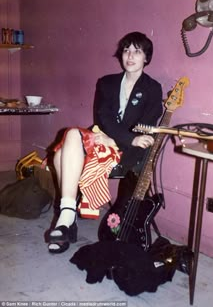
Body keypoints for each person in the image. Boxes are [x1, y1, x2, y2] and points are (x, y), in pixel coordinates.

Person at [48, 31, 163, 253]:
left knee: (60, 157)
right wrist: (112, 136)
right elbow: (103, 117)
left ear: (146, 58)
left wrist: (120, 139)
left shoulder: (152, 88)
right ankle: (68, 214)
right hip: (103, 136)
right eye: (126, 50)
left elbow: (145, 129)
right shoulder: (107, 83)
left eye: (137, 51)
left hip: (127, 149)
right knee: (72, 134)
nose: (130, 56)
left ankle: (67, 221)